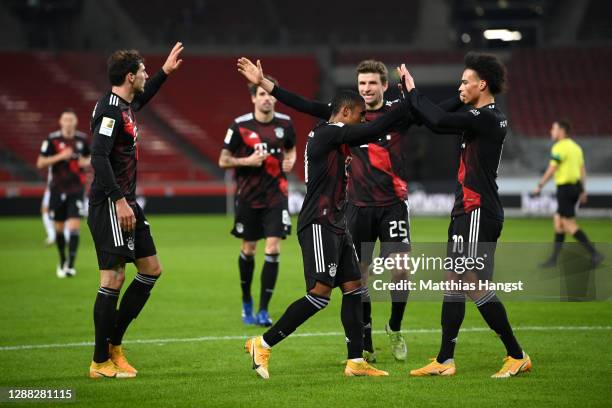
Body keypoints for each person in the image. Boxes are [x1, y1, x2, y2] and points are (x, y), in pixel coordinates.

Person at [237, 57, 420, 362]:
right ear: (347, 111)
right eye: (360, 115)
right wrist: (411, 99)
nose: (364, 118)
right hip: (320, 221)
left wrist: (266, 83)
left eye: (371, 84)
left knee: (353, 286)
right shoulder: (330, 133)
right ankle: (263, 344)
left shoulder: (337, 127)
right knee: (320, 295)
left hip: (338, 222)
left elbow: (306, 105)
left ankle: (357, 360)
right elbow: (372, 127)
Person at [398, 52, 532, 378]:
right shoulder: (480, 112)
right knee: (454, 283)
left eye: (464, 81)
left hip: (477, 209)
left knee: (471, 282)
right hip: (466, 209)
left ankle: (517, 355)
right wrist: (414, 102)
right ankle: (445, 360)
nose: (460, 86)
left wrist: (415, 92)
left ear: (481, 84)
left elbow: (440, 121)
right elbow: (434, 116)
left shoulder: (486, 117)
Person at [87, 43, 183, 379]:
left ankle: (114, 344)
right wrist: (117, 199)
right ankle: (100, 362)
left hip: (126, 201)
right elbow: (97, 157)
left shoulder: (126, 106)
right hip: (111, 203)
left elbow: (145, 96)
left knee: (151, 269)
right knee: (113, 277)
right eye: (143, 70)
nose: (146, 74)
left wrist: (164, 73)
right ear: (129, 76)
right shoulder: (110, 111)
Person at [218, 76, 297, 327]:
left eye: (269, 94)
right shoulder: (240, 125)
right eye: (260, 94)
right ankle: (246, 301)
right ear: (253, 98)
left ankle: (263, 310)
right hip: (249, 198)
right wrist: (246, 161)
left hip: (277, 195)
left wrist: (291, 159)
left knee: (273, 249)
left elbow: (292, 147)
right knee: (249, 250)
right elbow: (223, 159)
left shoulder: (285, 123)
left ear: (275, 96)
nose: (266, 98)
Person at [533, 120, 603, 267]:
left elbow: (552, 169)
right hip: (575, 187)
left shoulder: (559, 147)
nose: (551, 131)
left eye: (553, 129)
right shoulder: (576, 148)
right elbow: (582, 170)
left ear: (561, 131)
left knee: (567, 223)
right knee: (558, 221)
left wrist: (540, 185)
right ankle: (553, 260)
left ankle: (595, 253)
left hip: (565, 189)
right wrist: (583, 189)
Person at [37, 108, 90, 278]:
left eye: (71, 119)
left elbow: (89, 158)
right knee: (59, 228)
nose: (68, 122)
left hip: (76, 189)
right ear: (61, 122)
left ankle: (70, 265)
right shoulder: (52, 140)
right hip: (57, 189)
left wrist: (85, 162)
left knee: (74, 226)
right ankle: (62, 259)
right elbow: (40, 163)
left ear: (75, 122)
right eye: (65, 119)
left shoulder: (82, 139)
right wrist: (60, 157)